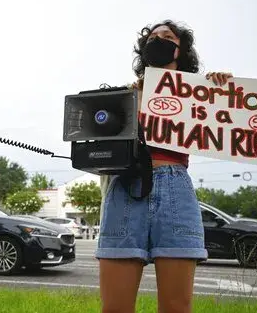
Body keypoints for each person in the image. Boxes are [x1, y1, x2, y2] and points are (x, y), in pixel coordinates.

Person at [95, 20, 232, 313]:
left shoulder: (199, 92)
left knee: (176, 308)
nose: (158, 40)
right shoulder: (126, 95)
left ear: (180, 50)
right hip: (126, 188)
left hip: (175, 189)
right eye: (152, 37)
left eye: (167, 36)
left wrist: (224, 89)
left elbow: (229, 118)